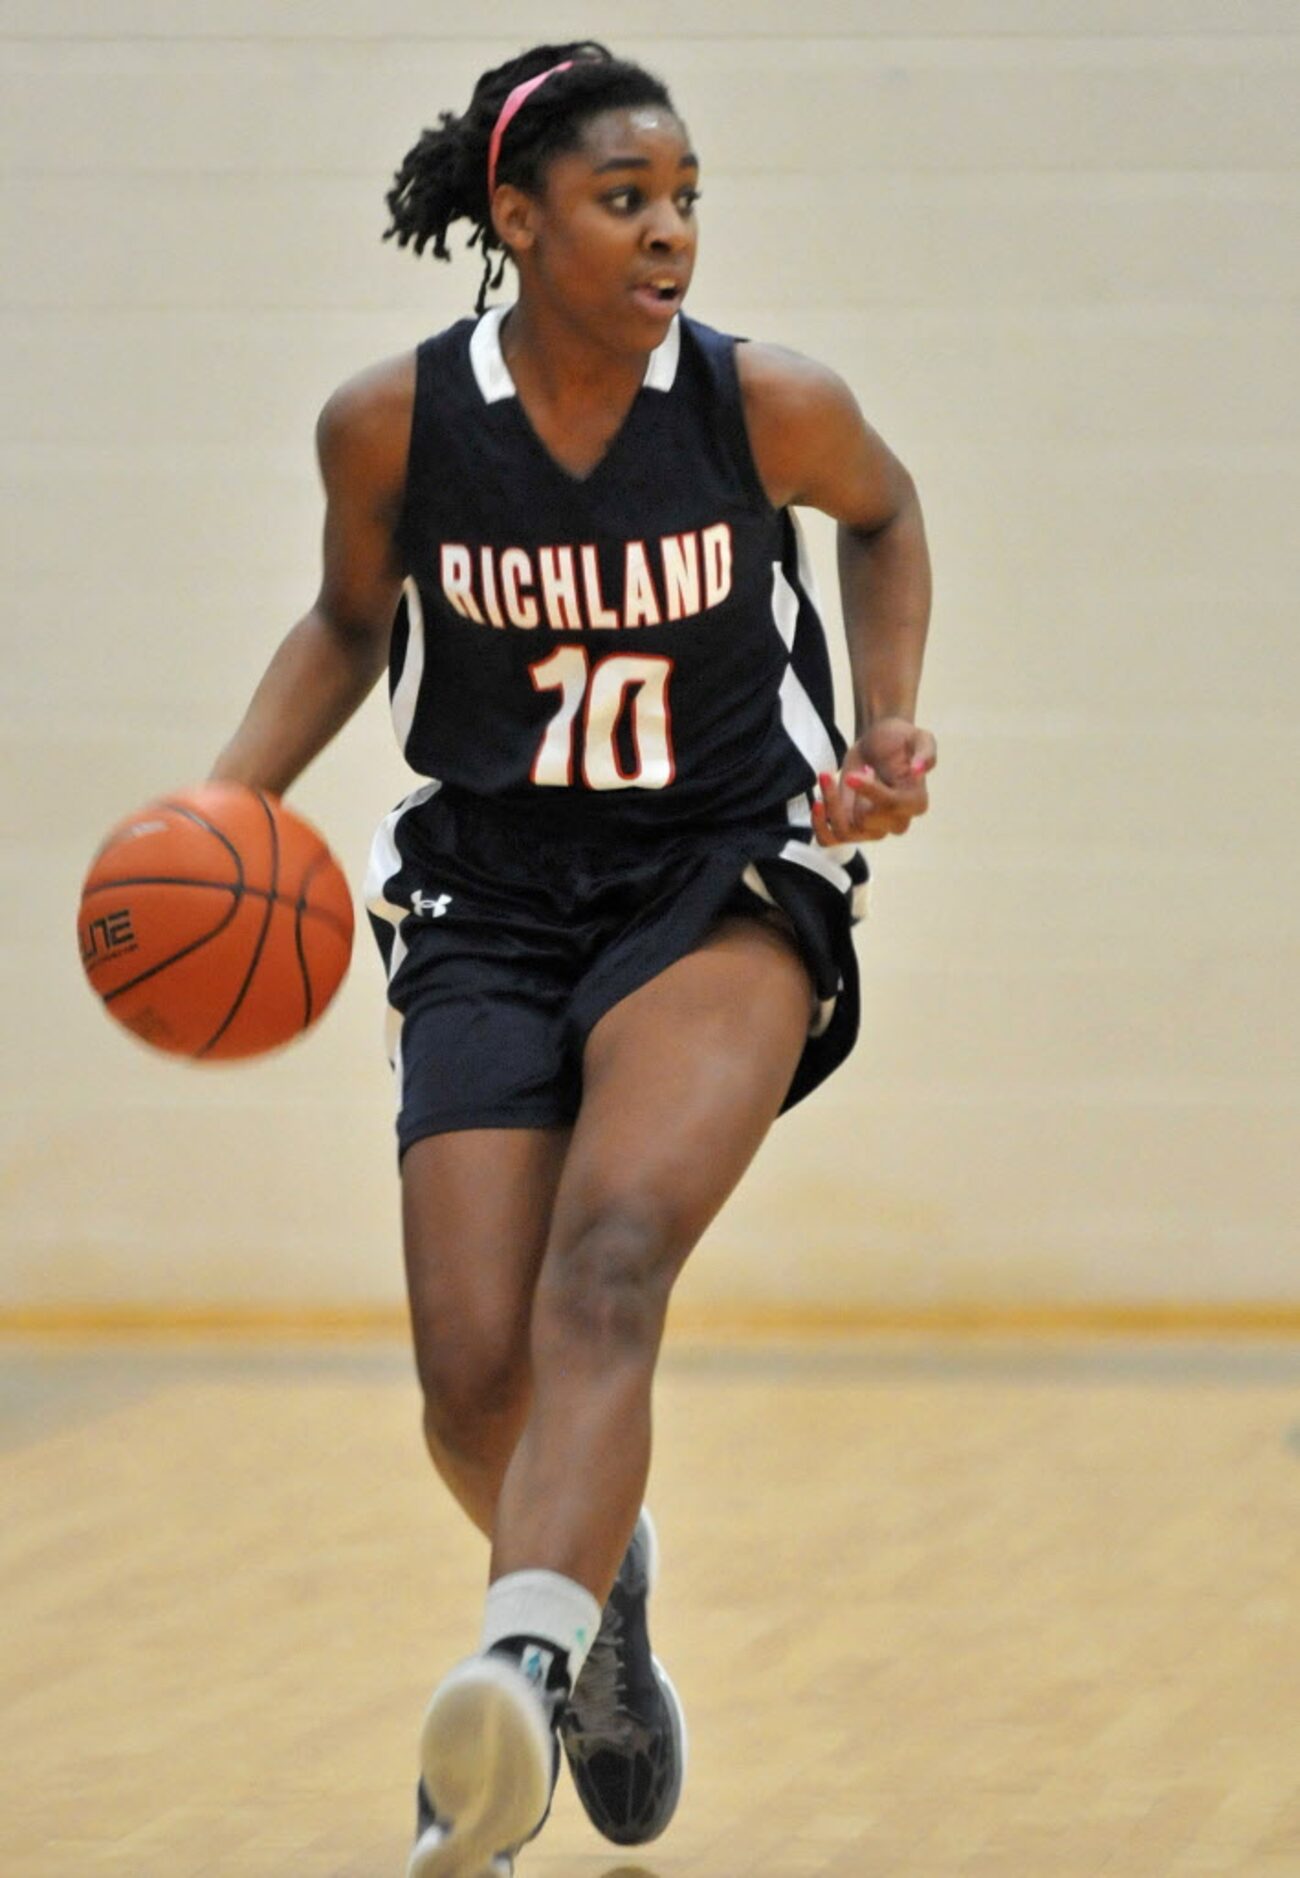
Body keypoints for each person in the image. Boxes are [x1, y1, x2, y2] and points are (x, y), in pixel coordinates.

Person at [211, 39, 935, 1878]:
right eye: (627, 202)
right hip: (492, 891)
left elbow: (885, 513)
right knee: (473, 1379)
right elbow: (346, 616)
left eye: (688, 196)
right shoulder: (393, 425)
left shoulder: (764, 402)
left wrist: (887, 728)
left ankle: (513, 1687)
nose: (672, 233)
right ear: (515, 222)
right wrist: (225, 802)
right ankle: (595, 1594)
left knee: (607, 1269)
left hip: (724, 871)